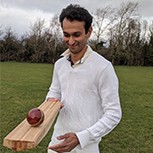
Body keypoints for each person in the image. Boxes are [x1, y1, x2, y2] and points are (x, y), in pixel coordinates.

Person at [46, 4, 122, 153]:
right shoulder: (60, 64)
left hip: (86, 147)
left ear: (89, 31)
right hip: (57, 142)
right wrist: (50, 103)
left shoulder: (103, 67)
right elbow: (54, 92)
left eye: (76, 34)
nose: (71, 41)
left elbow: (114, 113)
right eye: (66, 35)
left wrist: (81, 137)